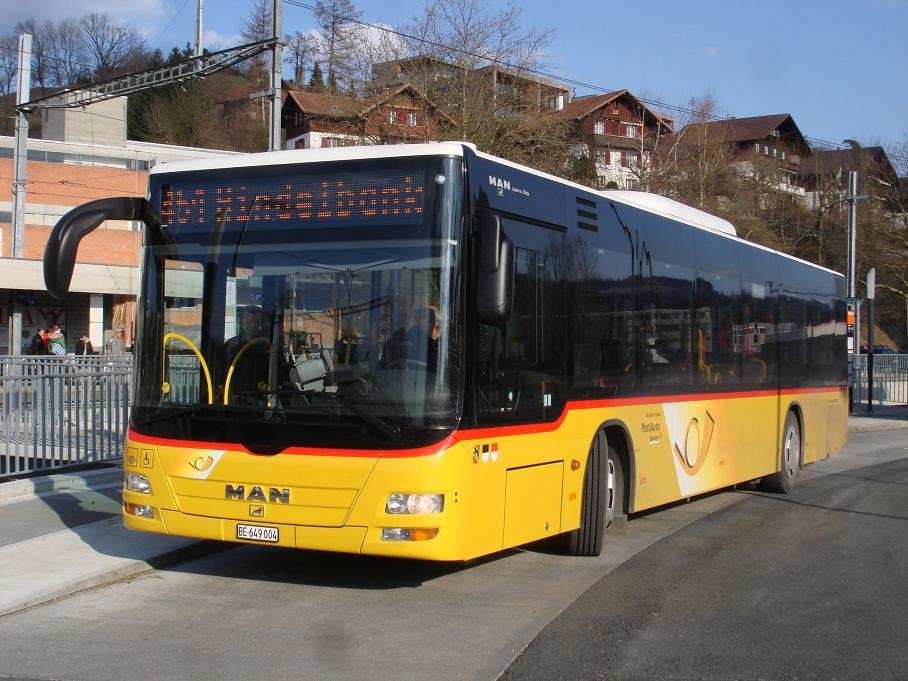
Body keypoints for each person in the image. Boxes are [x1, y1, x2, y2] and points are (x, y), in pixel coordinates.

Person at [223, 306, 269, 398]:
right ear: (242, 323)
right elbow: (223, 372)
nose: (252, 325)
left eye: (256, 322)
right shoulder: (231, 345)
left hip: (263, 398)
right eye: (249, 322)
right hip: (237, 398)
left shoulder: (267, 345)